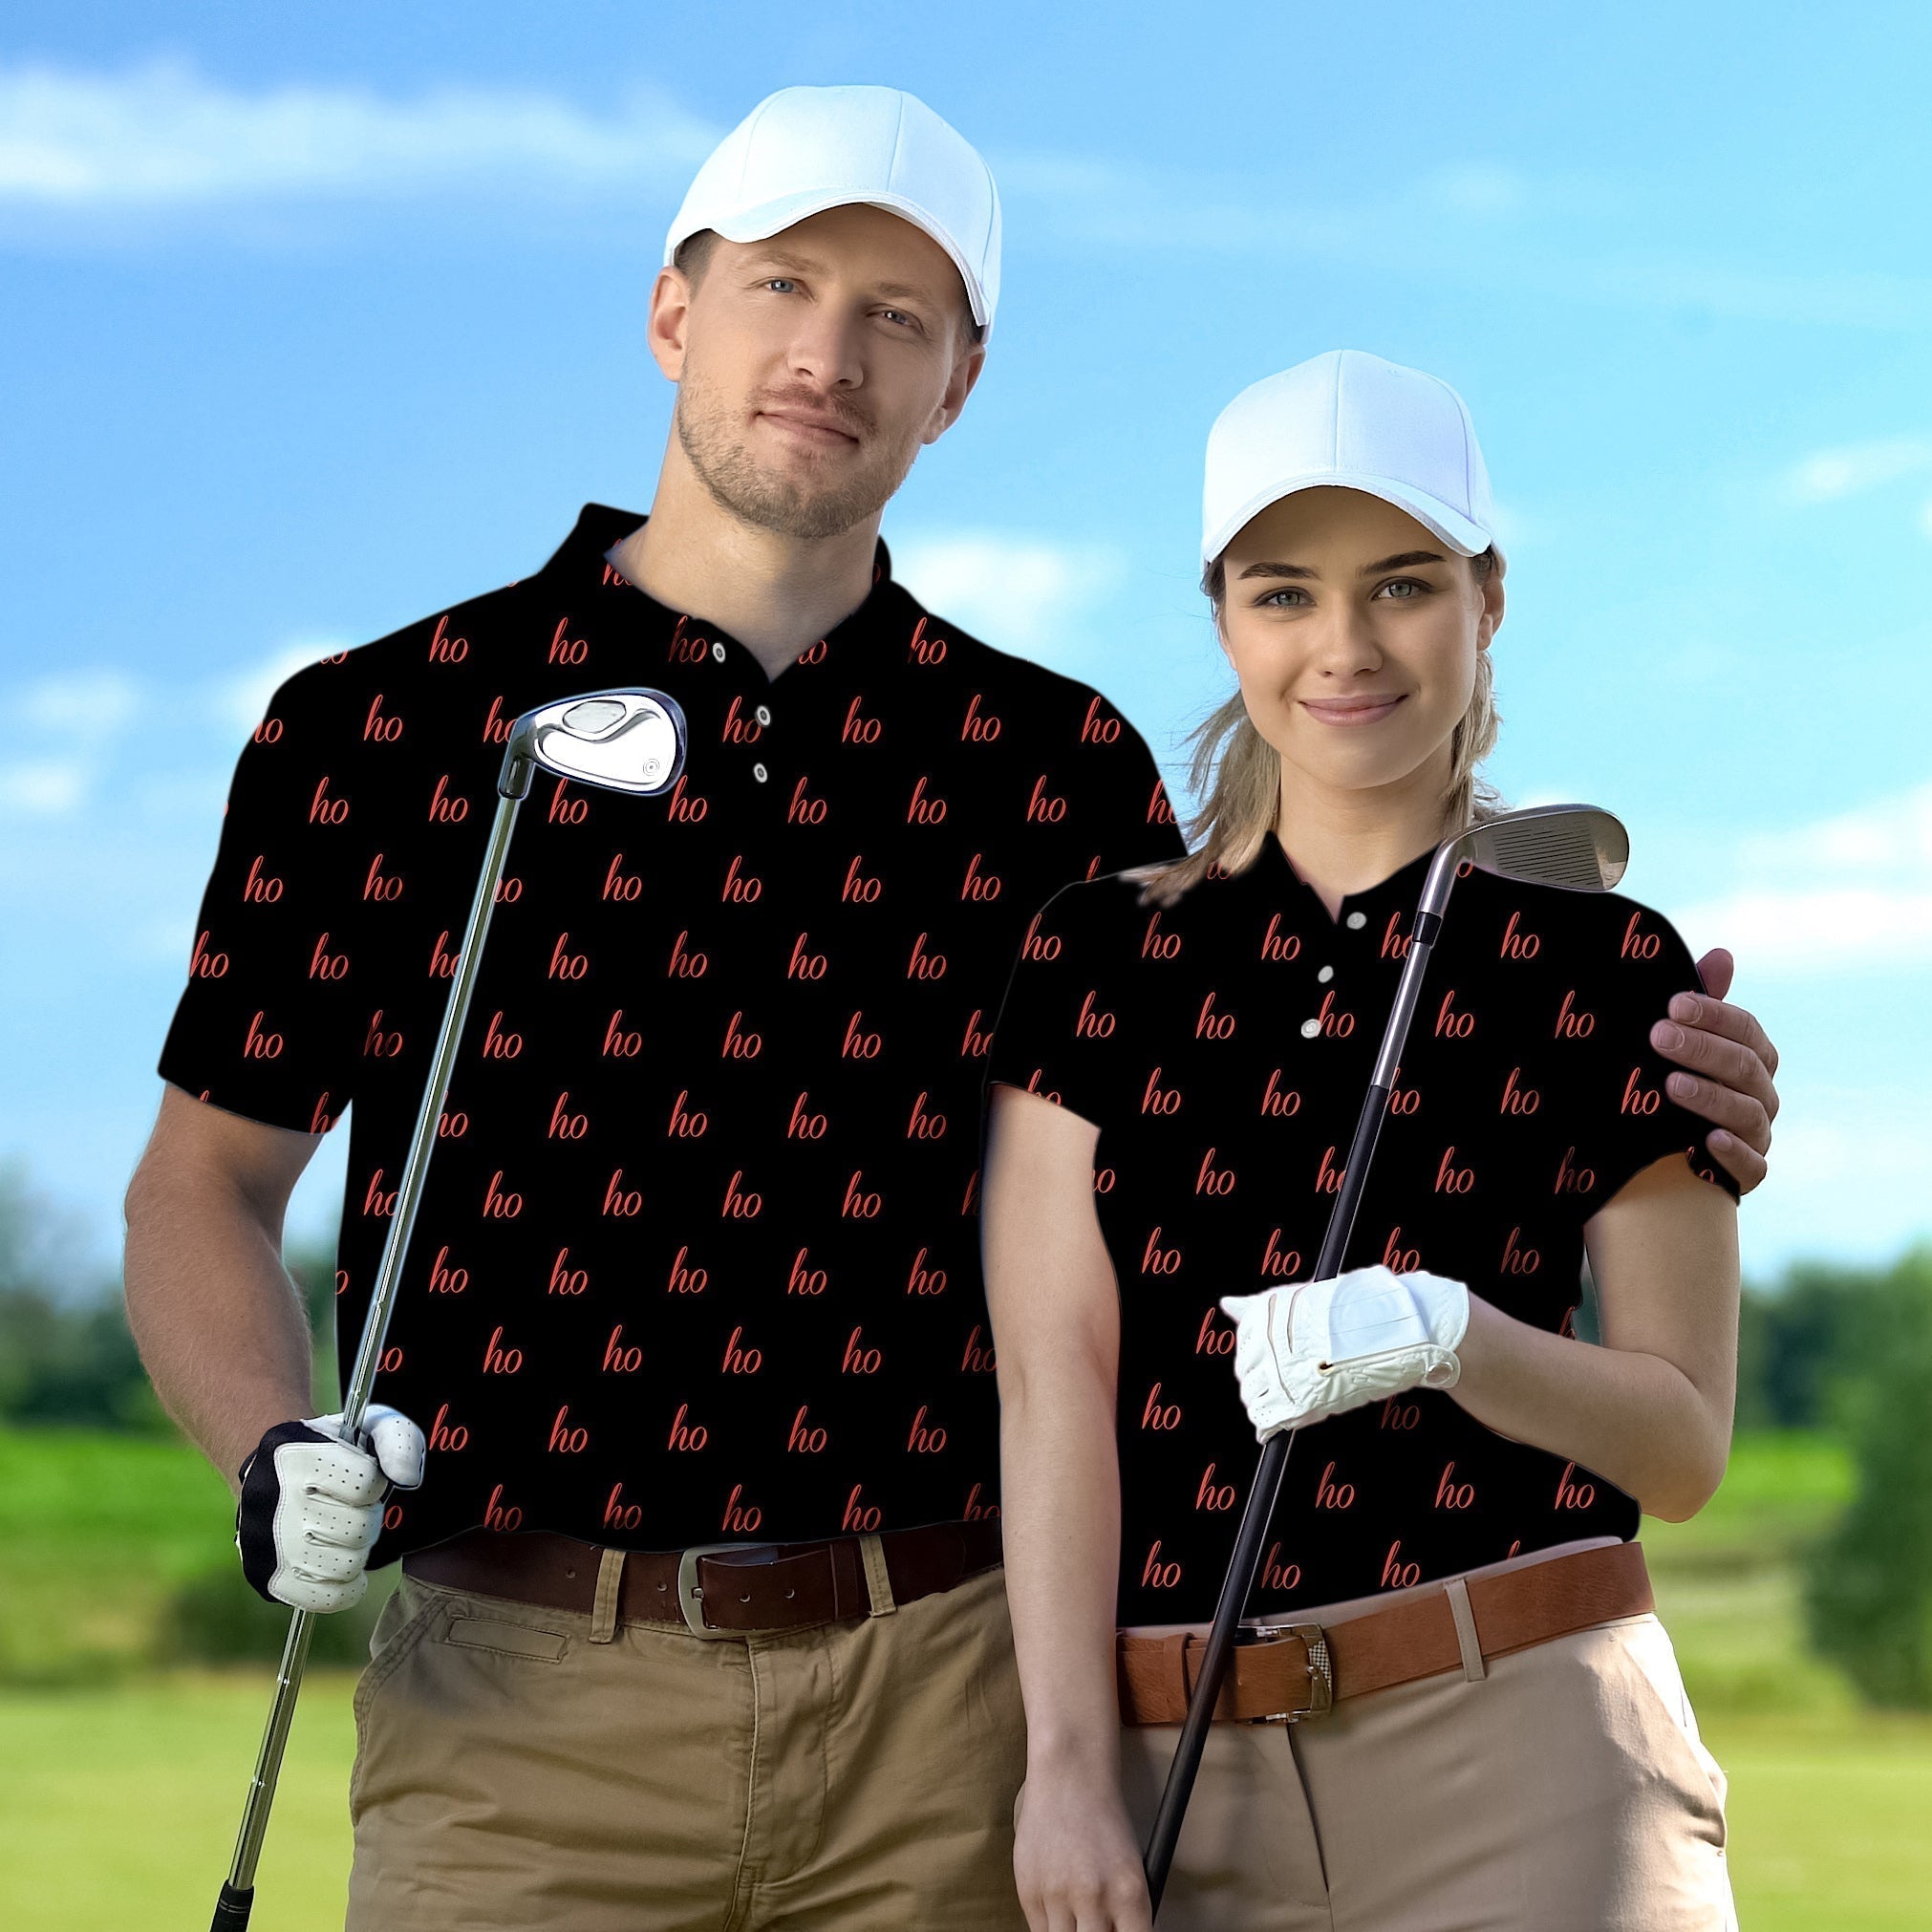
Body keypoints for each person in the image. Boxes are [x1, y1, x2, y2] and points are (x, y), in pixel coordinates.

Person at [117, 77, 1776, 1924]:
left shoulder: (1050, 765)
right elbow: (203, 1187)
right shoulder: (384, 727)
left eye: (895, 317)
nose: (828, 353)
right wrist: (274, 1449)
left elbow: (1244, 1169)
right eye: (782, 287)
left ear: (959, 382)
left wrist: (1633, 1074)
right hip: (517, 1706)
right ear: (674, 308)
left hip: (954, 1695)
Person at [981, 350, 1756, 1930]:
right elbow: (1051, 1380)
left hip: (1533, 1737)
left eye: (1401, 585)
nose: (1342, 647)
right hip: (1179, 1766)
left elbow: (1678, 1449)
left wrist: (1446, 1336)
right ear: (1220, 617)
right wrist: (1063, 1764)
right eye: (1283, 594)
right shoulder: (1091, 958)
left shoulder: (1610, 966)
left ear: (1486, 599)